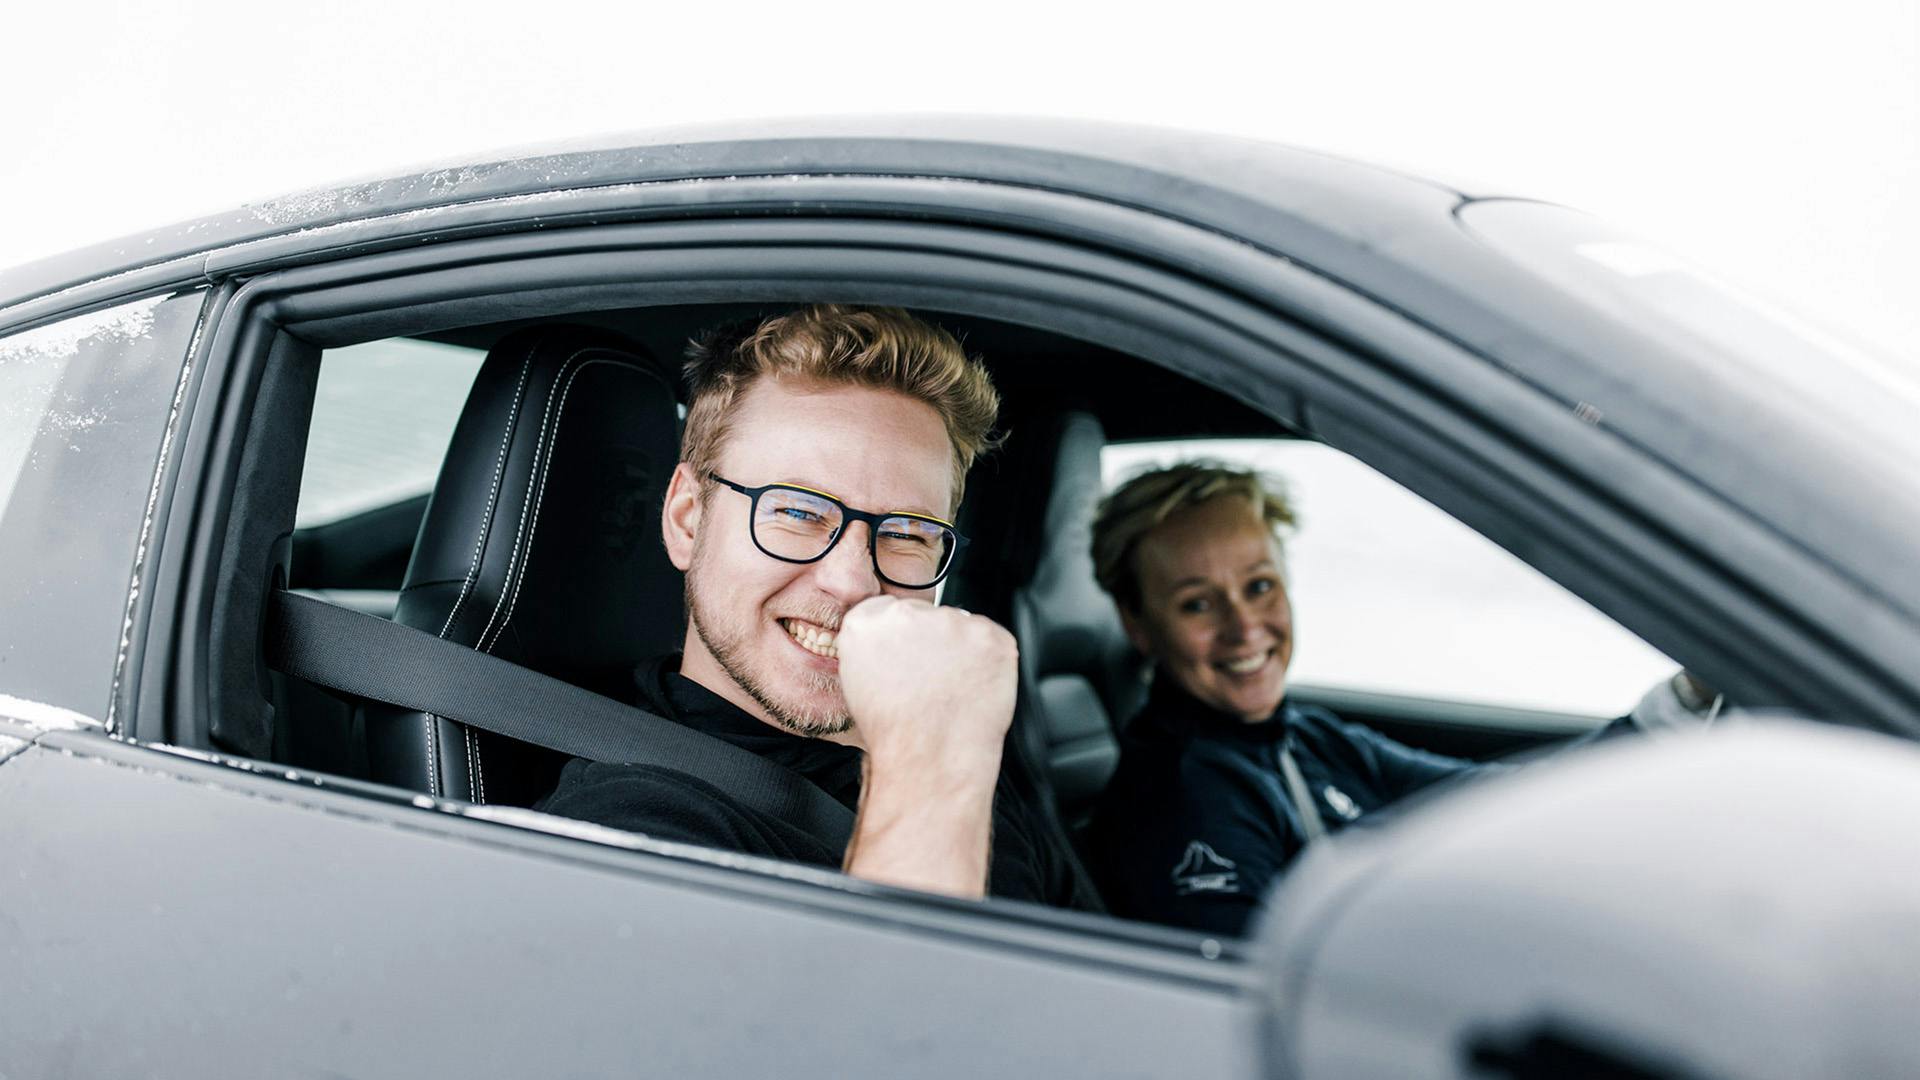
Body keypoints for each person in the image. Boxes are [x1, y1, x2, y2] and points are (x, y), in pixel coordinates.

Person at [537, 305, 1096, 909]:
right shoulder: (624, 831)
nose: (853, 582)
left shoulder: (957, 747)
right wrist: (926, 764)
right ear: (687, 520)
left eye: (907, 532)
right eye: (799, 511)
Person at [1083, 462, 1719, 935]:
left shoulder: (1308, 739)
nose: (1245, 628)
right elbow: (1236, 995)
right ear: (1138, 624)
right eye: (1197, 604)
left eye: (1259, 586)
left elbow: (1499, 803)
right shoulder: (1181, 794)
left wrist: (1688, 697)